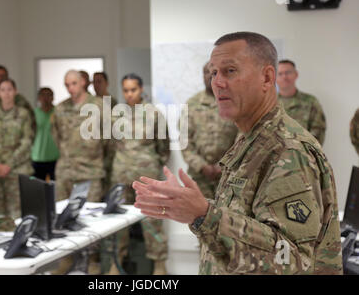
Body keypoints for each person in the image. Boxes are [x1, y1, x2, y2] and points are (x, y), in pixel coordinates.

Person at [133, 32, 343, 275]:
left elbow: (293, 260)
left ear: (266, 78)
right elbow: (246, 218)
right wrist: (193, 208)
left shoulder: (287, 150)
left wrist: (205, 215)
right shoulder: (252, 139)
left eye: (230, 71)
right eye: (214, 73)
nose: (217, 83)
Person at [106, 73, 169, 275]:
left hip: (146, 176)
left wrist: (151, 162)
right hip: (121, 175)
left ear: (141, 89)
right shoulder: (116, 114)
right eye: (125, 90)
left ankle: (159, 263)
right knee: (119, 221)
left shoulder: (154, 114)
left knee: (152, 219)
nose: (129, 94)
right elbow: (110, 144)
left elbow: (163, 146)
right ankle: (118, 260)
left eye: (133, 90)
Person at [50, 69, 107, 274]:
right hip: (65, 170)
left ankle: (92, 260)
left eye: (74, 83)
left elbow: (108, 141)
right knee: (62, 217)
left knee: (90, 218)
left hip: (90, 170)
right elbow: (56, 136)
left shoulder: (99, 106)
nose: (70, 88)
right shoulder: (60, 109)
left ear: (83, 82)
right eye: (67, 85)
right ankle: (66, 258)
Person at [181, 61, 238, 199]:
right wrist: (201, 166)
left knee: (228, 218)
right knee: (197, 217)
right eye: (206, 73)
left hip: (229, 175)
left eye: (213, 73)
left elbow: (242, 137)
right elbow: (184, 141)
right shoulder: (192, 104)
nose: (209, 76)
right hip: (199, 177)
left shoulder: (234, 101)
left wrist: (224, 164)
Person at [0, 79, 34, 219]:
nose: (6, 93)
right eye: (3, 90)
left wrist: (9, 164)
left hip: (17, 170)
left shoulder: (23, 114)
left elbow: (26, 141)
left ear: (15, 92)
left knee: (17, 212)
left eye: (9, 89)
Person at [277, 59, 326, 145]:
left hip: (304, 156)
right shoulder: (268, 103)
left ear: (296, 74)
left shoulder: (311, 102)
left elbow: (318, 132)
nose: (284, 77)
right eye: (280, 74)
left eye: (288, 72)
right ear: (274, 77)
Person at [31, 87, 59, 181]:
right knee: (37, 188)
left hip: (55, 157)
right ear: (39, 98)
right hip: (37, 157)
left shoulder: (58, 113)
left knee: (56, 190)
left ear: (53, 97)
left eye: (49, 95)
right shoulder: (33, 114)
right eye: (43, 95)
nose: (46, 98)